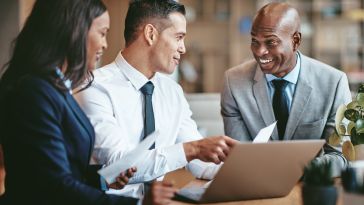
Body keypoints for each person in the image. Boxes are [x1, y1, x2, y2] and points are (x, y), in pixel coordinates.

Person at [0, 0, 177, 204]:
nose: (105, 44)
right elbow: (53, 186)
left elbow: (63, 169)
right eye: (102, 33)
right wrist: (138, 203)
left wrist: (102, 179)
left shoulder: (56, 87)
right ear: (75, 31)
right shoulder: (33, 91)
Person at [75, 0, 238, 197]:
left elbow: (198, 162)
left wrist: (243, 171)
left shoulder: (172, 91)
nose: (183, 48)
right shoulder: (95, 87)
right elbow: (119, 165)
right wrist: (193, 149)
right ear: (151, 34)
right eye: (179, 37)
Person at [221, 2, 351, 175]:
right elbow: (240, 156)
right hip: (256, 186)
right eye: (254, 41)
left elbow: (338, 157)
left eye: (271, 42)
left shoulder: (334, 83)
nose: (260, 51)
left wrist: (291, 171)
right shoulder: (234, 82)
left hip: (309, 187)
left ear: (295, 41)